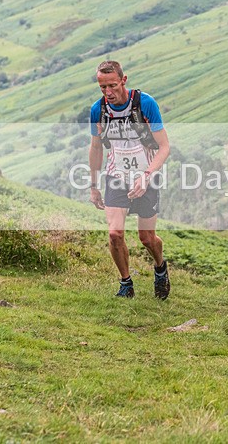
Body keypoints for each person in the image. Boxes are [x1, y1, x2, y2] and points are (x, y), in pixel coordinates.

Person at [89, 60, 171, 299]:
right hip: (116, 176)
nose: (108, 92)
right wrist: (94, 186)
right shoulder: (98, 110)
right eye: (102, 87)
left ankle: (160, 268)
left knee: (146, 238)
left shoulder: (145, 104)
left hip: (147, 175)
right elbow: (96, 148)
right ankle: (126, 283)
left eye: (112, 86)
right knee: (115, 234)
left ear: (123, 80)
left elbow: (164, 147)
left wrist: (146, 177)